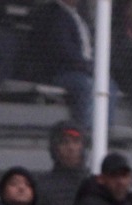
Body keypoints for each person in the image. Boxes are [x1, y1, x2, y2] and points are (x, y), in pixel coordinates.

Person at [20, 0, 99, 131]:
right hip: (63, 71)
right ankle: (84, 131)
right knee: (86, 86)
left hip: (84, 70)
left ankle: (103, 131)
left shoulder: (78, 15)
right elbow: (63, 48)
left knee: (109, 86)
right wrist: (86, 66)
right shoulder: (55, 15)